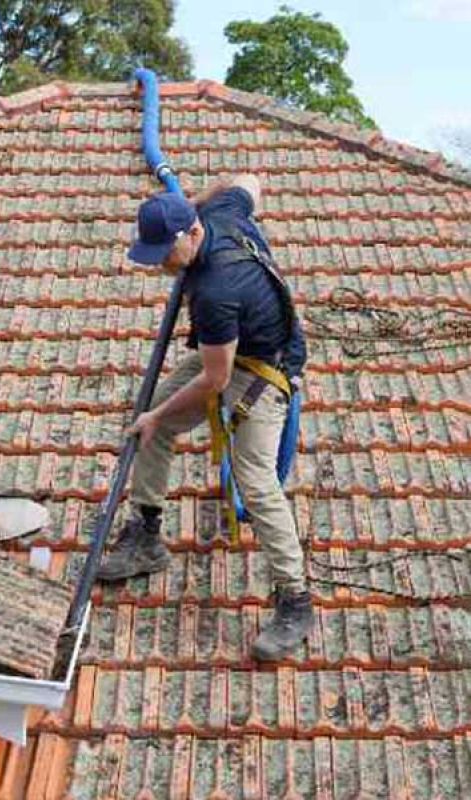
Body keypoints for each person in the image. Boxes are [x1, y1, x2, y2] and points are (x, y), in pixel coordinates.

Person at [97, 174, 312, 662]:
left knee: (255, 480)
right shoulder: (222, 211)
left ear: (193, 234)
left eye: (166, 255)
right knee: (151, 424)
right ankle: (146, 535)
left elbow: (216, 380)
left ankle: (296, 600)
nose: (163, 266)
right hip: (229, 350)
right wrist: (190, 201)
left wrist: (158, 414)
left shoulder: (216, 290)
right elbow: (249, 179)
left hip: (261, 369)